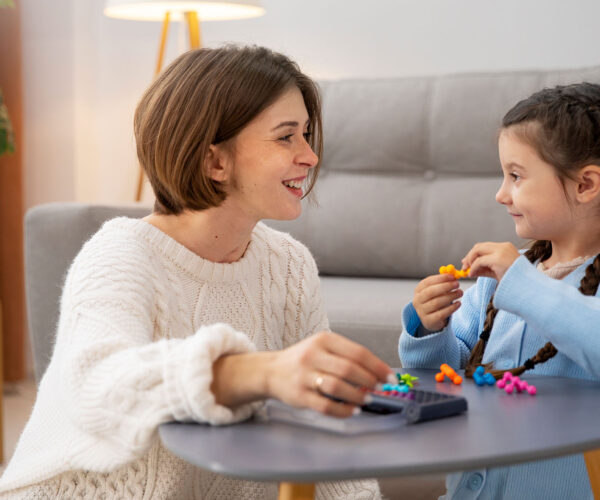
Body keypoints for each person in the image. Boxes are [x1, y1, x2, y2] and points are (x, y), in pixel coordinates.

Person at [0, 45, 395, 499]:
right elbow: (94, 385)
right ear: (215, 161)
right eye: (286, 137)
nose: (310, 157)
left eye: (306, 135)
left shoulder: (289, 265)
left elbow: (321, 428)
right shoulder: (120, 253)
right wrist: (260, 372)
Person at [398, 82, 600, 499]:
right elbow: (447, 374)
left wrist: (521, 283)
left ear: (585, 185)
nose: (501, 193)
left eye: (516, 176)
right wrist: (429, 329)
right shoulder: (499, 278)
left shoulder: (514, 277)